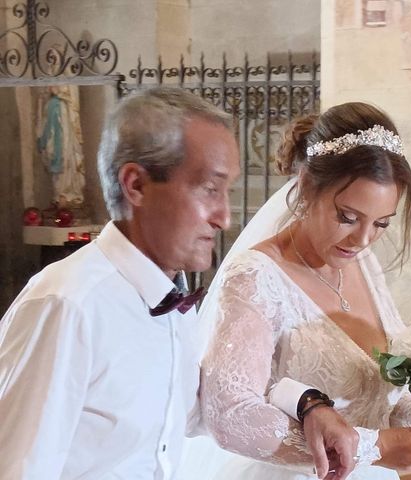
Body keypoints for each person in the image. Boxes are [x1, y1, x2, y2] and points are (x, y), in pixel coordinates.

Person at [0, 87, 358, 480]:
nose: (224, 217)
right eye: (209, 188)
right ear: (136, 185)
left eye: (227, 191)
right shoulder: (68, 305)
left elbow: (202, 407)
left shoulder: (170, 300)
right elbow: (16, 467)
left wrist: (308, 403)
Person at [193, 102, 411, 480]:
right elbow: (230, 415)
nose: (362, 239)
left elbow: (378, 383)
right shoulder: (256, 277)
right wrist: (377, 446)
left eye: (381, 223)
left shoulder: (364, 264)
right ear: (307, 187)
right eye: (348, 217)